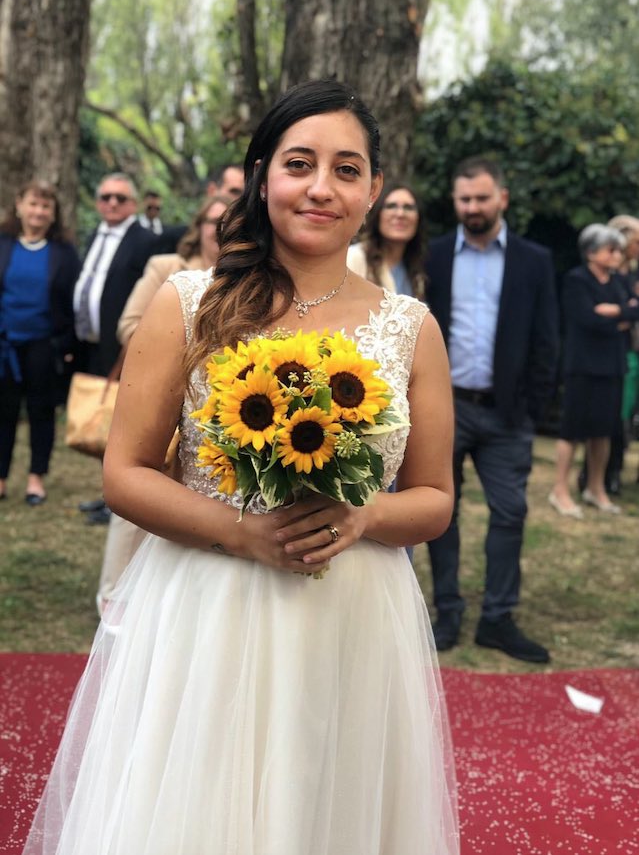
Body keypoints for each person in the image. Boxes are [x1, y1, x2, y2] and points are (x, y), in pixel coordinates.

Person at [22, 80, 459, 855]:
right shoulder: (191, 303)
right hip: (209, 608)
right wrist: (240, 533)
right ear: (262, 177)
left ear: (374, 190)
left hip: (352, 617)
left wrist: (363, 515)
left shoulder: (410, 327)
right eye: (299, 164)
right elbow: (123, 474)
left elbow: (431, 499)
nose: (321, 187)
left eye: (347, 169)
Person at [425, 155, 559, 664]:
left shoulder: (534, 260)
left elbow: (547, 339)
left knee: (510, 513)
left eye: (482, 198)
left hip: (507, 414)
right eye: (464, 199)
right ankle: (448, 611)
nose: (473, 207)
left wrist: (530, 409)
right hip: (446, 407)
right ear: (455, 201)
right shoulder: (436, 256)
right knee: (440, 513)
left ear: (502, 197)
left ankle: (498, 618)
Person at [96, 194, 231, 613]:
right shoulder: (168, 270)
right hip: (164, 403)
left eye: (228, 220)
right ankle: (115, 599)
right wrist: (178, 342)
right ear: (199, 227)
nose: (219, 228)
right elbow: (129, 325)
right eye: (211, 221)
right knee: (137, 505)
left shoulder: (259, 282)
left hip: (222, 420)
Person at [74, 172, 156, 524]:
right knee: (101, 421)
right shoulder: (95, 234)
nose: (111, 203)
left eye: (119, 198)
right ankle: (106, 493)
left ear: (133, 204)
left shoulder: (145, 240)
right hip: (89, 342)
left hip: (122, 346)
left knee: (122, 426)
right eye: (105, 197)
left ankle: (119, 503)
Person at [549, 224, 639, 518]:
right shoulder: (577, 279)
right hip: (583, 365)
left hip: (612, 364)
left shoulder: (617, 281)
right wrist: (619, 314)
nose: (616, 255)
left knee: (605, 430)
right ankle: (559, 489)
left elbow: (634, 310)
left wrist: (614, 312)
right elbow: (587, 319)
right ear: (591, 252)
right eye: (610, 249)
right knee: (572, 430)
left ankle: (595, 487)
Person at [0, 180, 80, 505]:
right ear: (19, 206)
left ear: (53, 214)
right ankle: (1, 479)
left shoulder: (64, 253)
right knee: (2, 413)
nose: (38, 211)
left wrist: (68, 345)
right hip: (4, 347)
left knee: (41, 412)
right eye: (33, 204)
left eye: (45, 206)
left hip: (44, 347)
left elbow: (75, 301)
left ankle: (36, 479)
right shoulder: (4, 244)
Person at [347, 181, 426, 299]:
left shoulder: (417, 271)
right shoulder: (355, 257)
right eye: (391, 206)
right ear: (377, 215)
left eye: (408, 207)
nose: (400, 214)